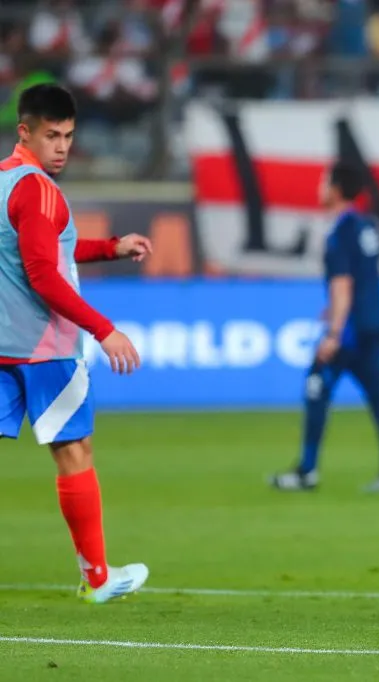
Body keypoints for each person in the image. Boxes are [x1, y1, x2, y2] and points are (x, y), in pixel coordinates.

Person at [0, 83, 153, 603]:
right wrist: (104, 329)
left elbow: (45, 250)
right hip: (47, 351)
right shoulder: (40, 189)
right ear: (25, 132)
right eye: (51, 135)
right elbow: (44, 274)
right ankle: (98, 579)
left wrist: (111, 247)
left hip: (3, 346)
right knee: (75, 452)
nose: (61, 146)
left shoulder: (4, 183)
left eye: (68, 135)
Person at [270, 161, 379, 493]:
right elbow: (361, 278)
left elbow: (343, 282)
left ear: (334, 189)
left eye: (323, 182)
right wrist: (331, 309)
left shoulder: (340, 231)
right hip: (374, 321)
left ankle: (306, 471)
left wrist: (333, 331)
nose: (319, 188)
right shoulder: (366, 225)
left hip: (351, 330)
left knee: (316, 386)